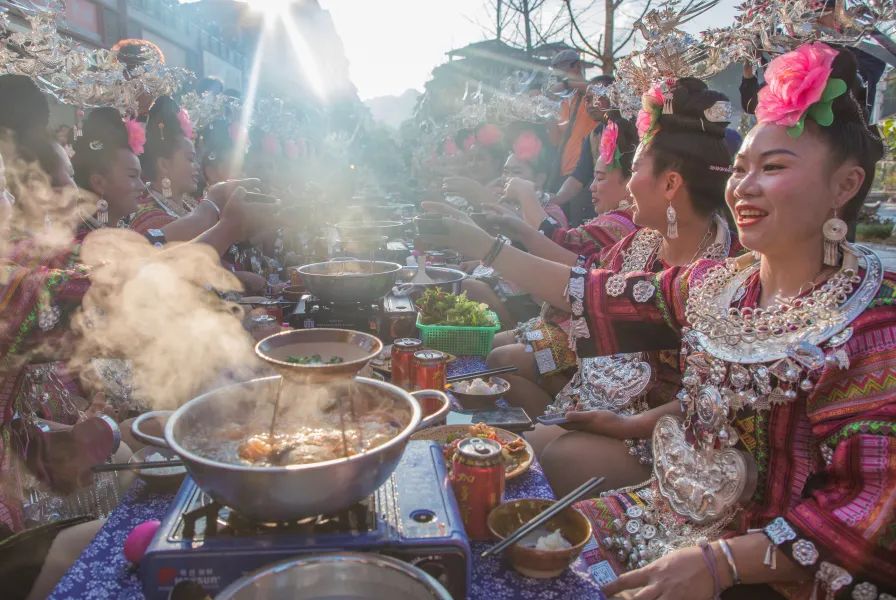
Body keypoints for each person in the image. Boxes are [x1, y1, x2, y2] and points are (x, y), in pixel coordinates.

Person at [431, 43, 896, 598]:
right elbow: (592, 291)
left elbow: (867, 509)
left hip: (765, 570)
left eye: (772, 168)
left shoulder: (874, 323)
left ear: (845, 185)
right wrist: (489, 246)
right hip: (666, 511)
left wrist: (721, 563)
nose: (743, 188)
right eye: (741, 168)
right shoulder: (718, 285)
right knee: (505, 557)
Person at [549, 76, 615, 214]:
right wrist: (554, 199)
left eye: (596, 98)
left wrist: (566, 83)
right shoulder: (594, 135)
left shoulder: (632, 130)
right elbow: (579, 175)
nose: (590, 104)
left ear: (613, 96)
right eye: (587, 99)